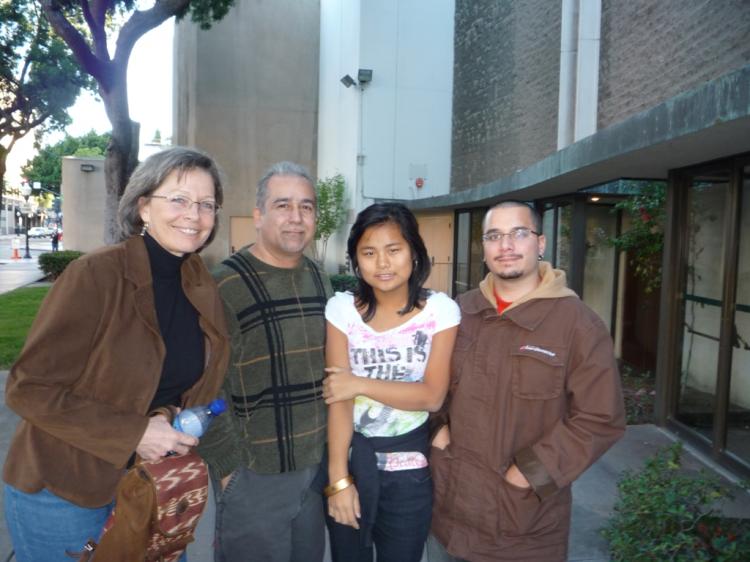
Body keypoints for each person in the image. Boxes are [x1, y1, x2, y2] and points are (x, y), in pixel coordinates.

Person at [3, 147, 231, 562]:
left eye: (206, 204)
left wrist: (163, 417)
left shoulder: (199, 283)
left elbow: (189, 380)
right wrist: (135, 434)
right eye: (178, 199)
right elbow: (28, 388)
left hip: (150, 483)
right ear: (144, 206)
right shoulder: (96, 275)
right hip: (63, 487)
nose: (193, 215)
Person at [427, 201, 626, 562]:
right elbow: (426, 378)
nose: (506, 245)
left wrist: (532, 473)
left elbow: (601, 418)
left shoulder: (578, 325)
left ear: (541, 243)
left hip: (523, 529)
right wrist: (435, 428)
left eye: (519, 233)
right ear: (484, 247)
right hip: (448, 518)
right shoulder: (459, 312)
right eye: (494, 236)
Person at [198, 161, 332, 562]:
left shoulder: (318, 276)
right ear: (258, 215)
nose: (296, 217)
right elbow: (202, 383)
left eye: (306, 207)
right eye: (283, 205)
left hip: (312, 469)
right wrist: (227, 469)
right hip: (254, 473)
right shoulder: (224, 285)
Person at [322, 202, 460, 562]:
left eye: (393, 250)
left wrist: (358, 384)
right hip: (353, 460)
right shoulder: (342, 311)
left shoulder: (440, 312)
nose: (382, 263)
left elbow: (432, 396)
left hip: (410, 473)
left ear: (414, 253)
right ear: (356, 260)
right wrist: (339, 481)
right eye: (369, 252)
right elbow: (339, 399)